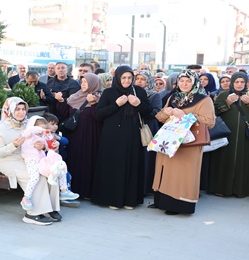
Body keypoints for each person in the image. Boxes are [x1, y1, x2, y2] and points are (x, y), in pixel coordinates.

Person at [151, 70, 215, 215]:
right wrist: (165, 113)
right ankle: (162, 201)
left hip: (188, 144)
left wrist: (185, 115)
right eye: (181, 81)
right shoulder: (174, 97)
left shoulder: (204, 99)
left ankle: (179, 205)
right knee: (166, 170)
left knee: (182, 173)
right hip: (169, 140)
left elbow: (210, 122)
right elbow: (160, 117)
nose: (184, 84)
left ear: (194, 82)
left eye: (188, 81)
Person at [91, 66, 152, 209]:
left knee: (132, 165)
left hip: (133, 136)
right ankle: (113, 199)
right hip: (112, 137)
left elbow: (149, 112)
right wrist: (116, 104)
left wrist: (138, 104)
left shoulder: (139, 91)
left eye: (130, 78)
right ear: (118, 78)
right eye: (123, 77)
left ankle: (130, 200)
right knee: (114, 166)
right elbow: (98, 114)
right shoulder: (109, 92)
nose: (127, 81)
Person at [0, 97, 61, 225]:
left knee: (51, 172)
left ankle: (51, 208)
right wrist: (13, 145)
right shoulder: (1, 129)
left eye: (23, 109)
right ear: (9, 110)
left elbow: (44, 138)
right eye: (17, 109)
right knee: (35, 176)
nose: (21, 112)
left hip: (30, 157)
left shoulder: (29, 124)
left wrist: (44, 146)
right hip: (9, 160)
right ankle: (32, 213)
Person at [207, 72, 249, 197]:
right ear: (232, 82)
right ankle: (221, 188)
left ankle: (240, 190)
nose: (239, 84)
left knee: (242, 160)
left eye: (242, 82)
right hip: (227, 132)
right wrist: (227, 102)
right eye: (237, 82)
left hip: (245, 134)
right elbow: (215, 111)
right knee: (223, 159)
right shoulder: (224, 94)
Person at [54, 73, 102, 199]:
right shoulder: (76, 96)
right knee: (74, 160)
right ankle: (72, 189)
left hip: (90, 136)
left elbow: (100, 117)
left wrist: (94, 103)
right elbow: (66, 114)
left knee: (87, 161)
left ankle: (87, 191)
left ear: (93, 83)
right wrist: (61, 101)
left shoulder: (99, 98)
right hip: (74, 135)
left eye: (86, 82)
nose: (83, 84)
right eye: (82, 82)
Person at [18, 116, 78, 211]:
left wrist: (55, 144)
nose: (43, 130)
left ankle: (64, 191)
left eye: (45, 128)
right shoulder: (28, 135)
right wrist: (42, 130)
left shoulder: (42, 137)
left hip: (42, 160)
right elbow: (29, 130)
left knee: (60, 166)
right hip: (31, 160)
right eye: (41, 128)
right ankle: (26, 198)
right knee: (35, 177)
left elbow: (49, 148)